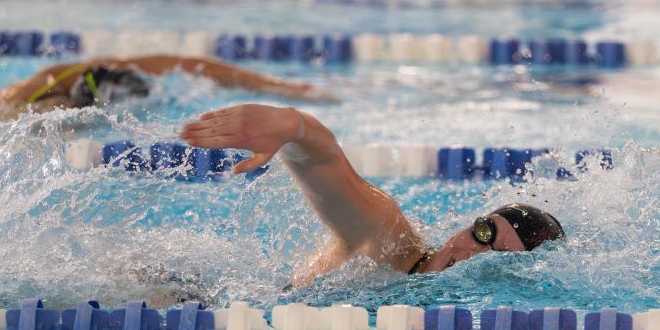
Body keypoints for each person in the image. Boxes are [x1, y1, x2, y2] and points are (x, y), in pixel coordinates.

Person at [179, 104, 565, 287]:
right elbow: (328, 164)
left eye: (495, 259)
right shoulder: (393, 242)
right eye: (484, 234)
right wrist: (295, 127)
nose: (470, 255)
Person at [0, 55, 333, 136]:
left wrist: (282, 88)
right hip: (38, 101)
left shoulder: (138, 67)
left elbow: (211, 69)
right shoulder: (42, 85)